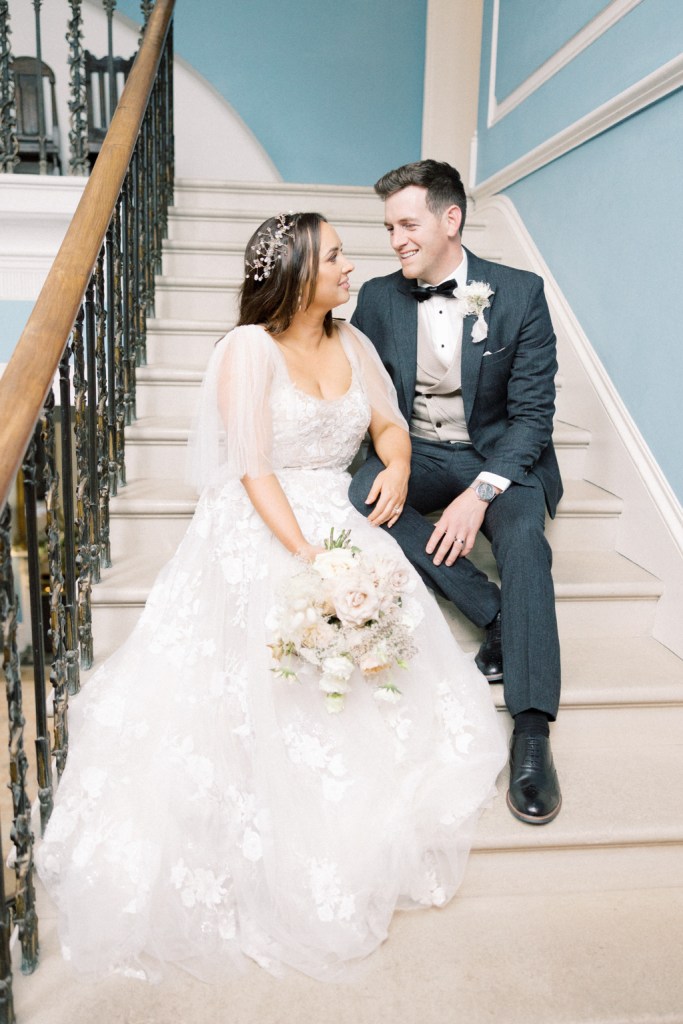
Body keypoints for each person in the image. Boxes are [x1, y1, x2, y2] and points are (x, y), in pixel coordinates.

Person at [36, 212, 507, 982]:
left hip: (334, 501)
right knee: (274, 628)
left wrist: (392, 466)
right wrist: (309, 559)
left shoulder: (351, 343)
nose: (351, 266)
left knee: (380, 621)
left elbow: (389, 423)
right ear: (295, 274)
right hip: (262, 516)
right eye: (334, 257)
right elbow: (252, 466)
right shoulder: (246, 350)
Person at [349, 160, 563, 826]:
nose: (395, 241)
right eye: (388, 227)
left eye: (406, 224)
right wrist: (390, 461)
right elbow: (366, 395)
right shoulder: (381, 299)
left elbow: (530, 415)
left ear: (450, 220)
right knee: (361, 500)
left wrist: (482, 492)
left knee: (523, 535)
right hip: (421, 453)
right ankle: (496, 612)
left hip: (499, 455)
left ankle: (530, 731)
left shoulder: (519, 291)